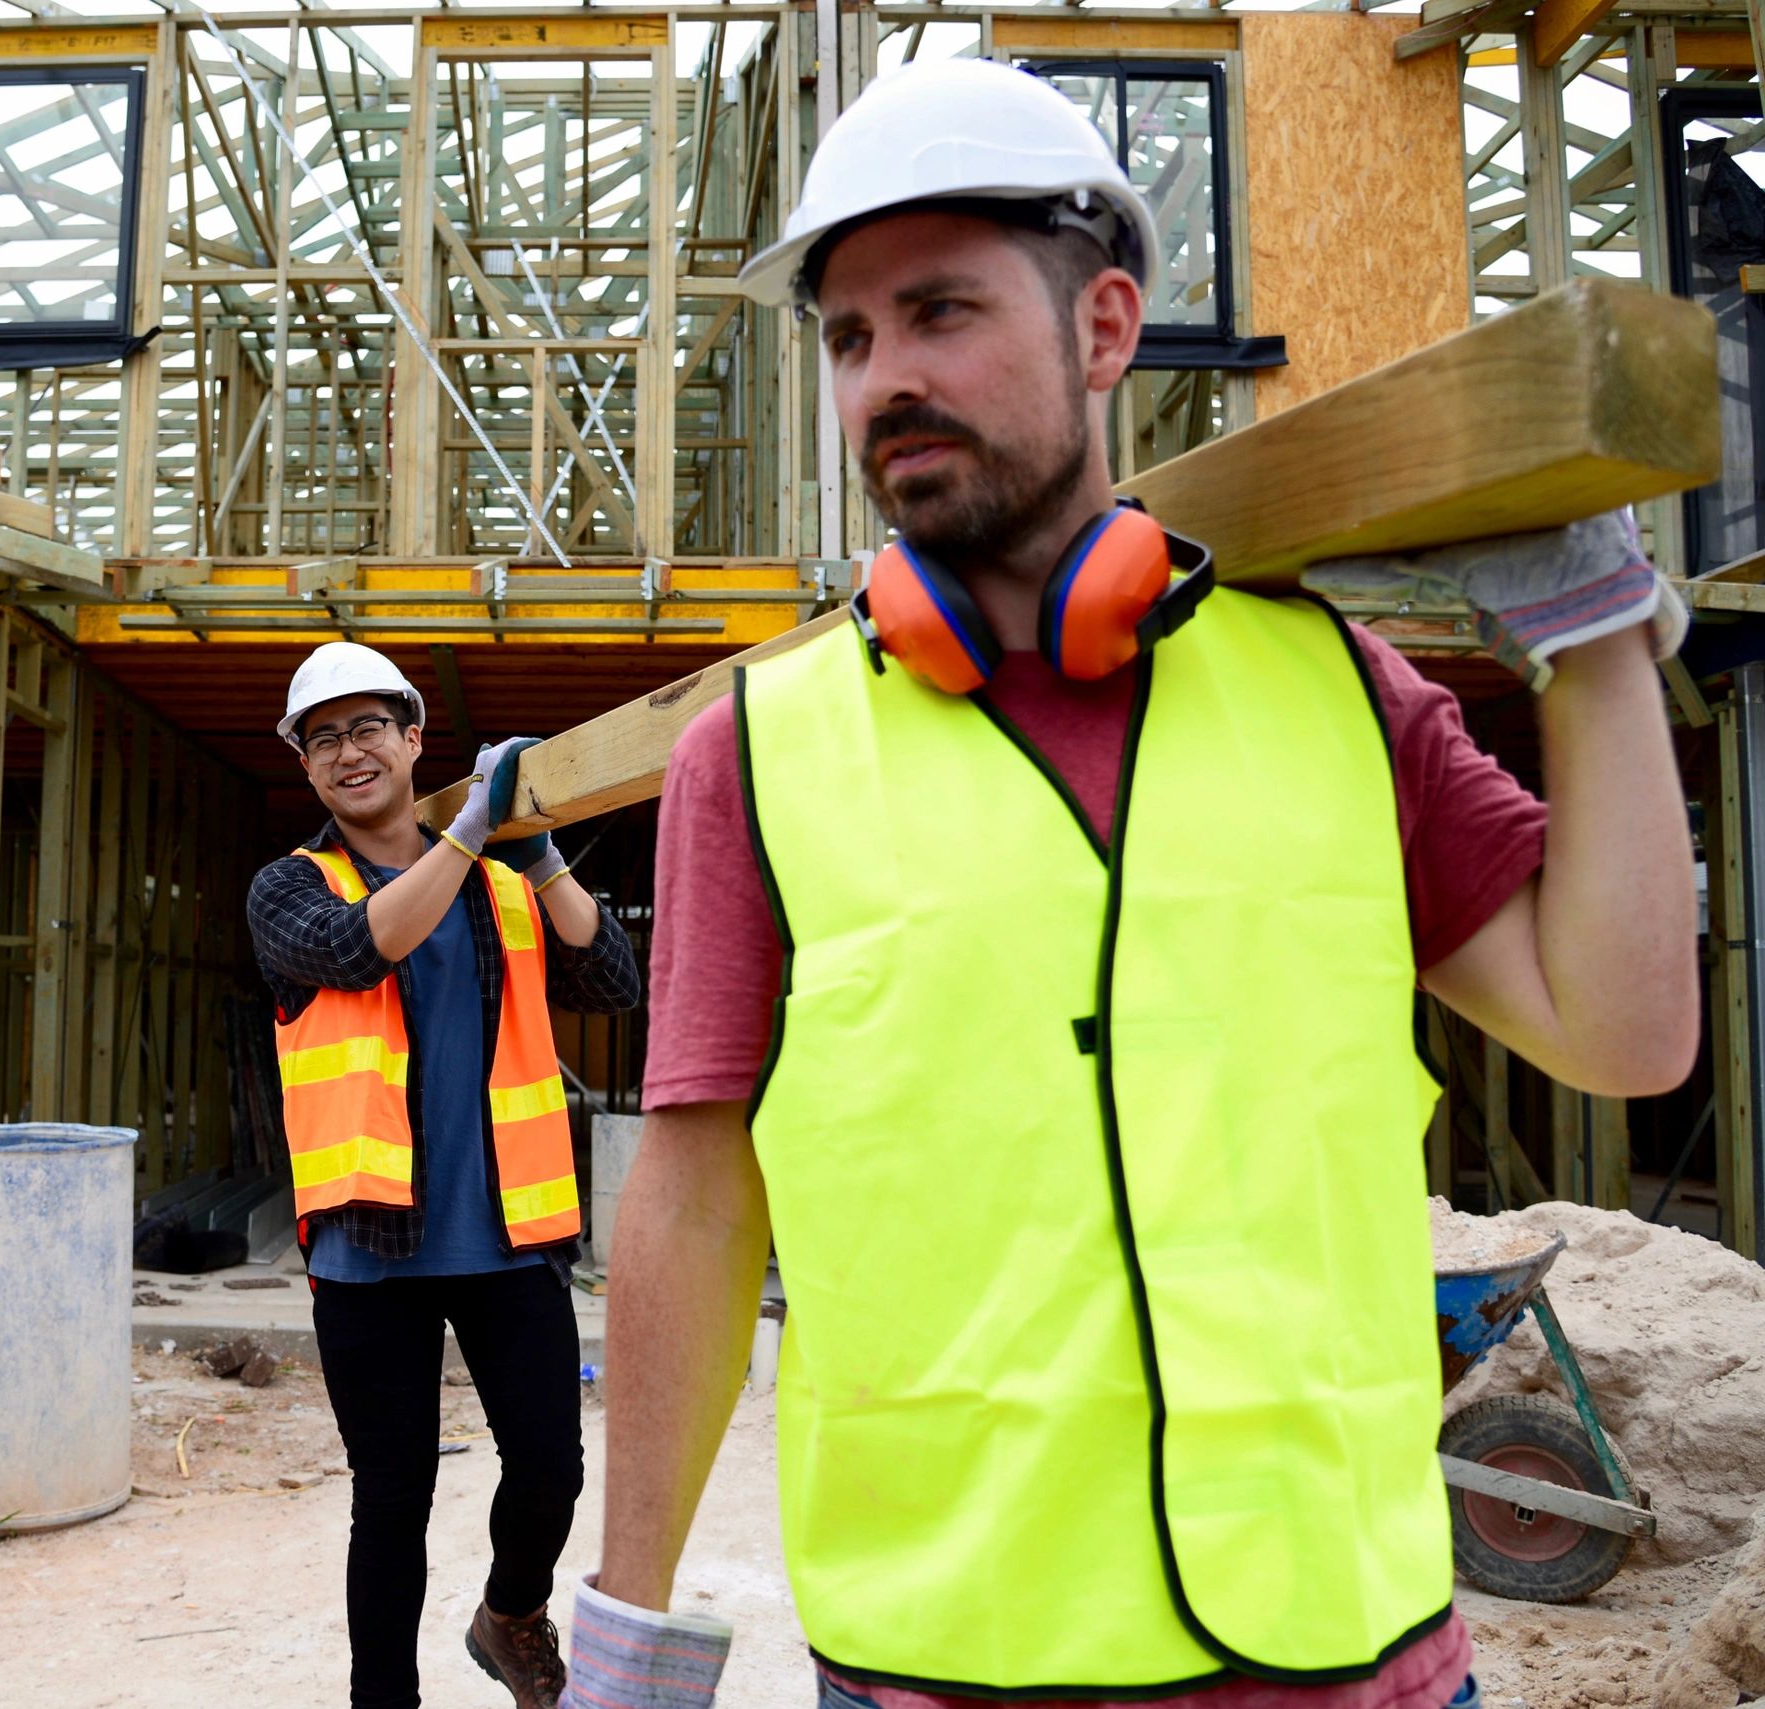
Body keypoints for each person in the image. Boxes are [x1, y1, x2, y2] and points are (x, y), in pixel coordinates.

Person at [562, 57, 1699, 1709]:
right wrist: (630, 1619)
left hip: (1349, 1646)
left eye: (942, 311)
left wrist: (1593, 631)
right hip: (948, 1661)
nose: (888, 376)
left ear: (1106, 328)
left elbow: (1625, 1029)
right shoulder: (758, 751)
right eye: (852, 336)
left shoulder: (1335, 692)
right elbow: (695, 1192)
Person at [247, 641, 641, 1709]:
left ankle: (510, 1611)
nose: (348, 749)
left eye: (368, 725)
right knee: (391, 1499)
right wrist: (468, 831)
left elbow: (613, 981)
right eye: (321, 736)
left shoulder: (505, 888)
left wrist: (544, 852)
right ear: (305, 765)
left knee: (551, 1468)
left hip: (507, 1233)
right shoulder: (290, 886)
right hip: (368, 1248)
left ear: (413, 737)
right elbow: (358, 950)